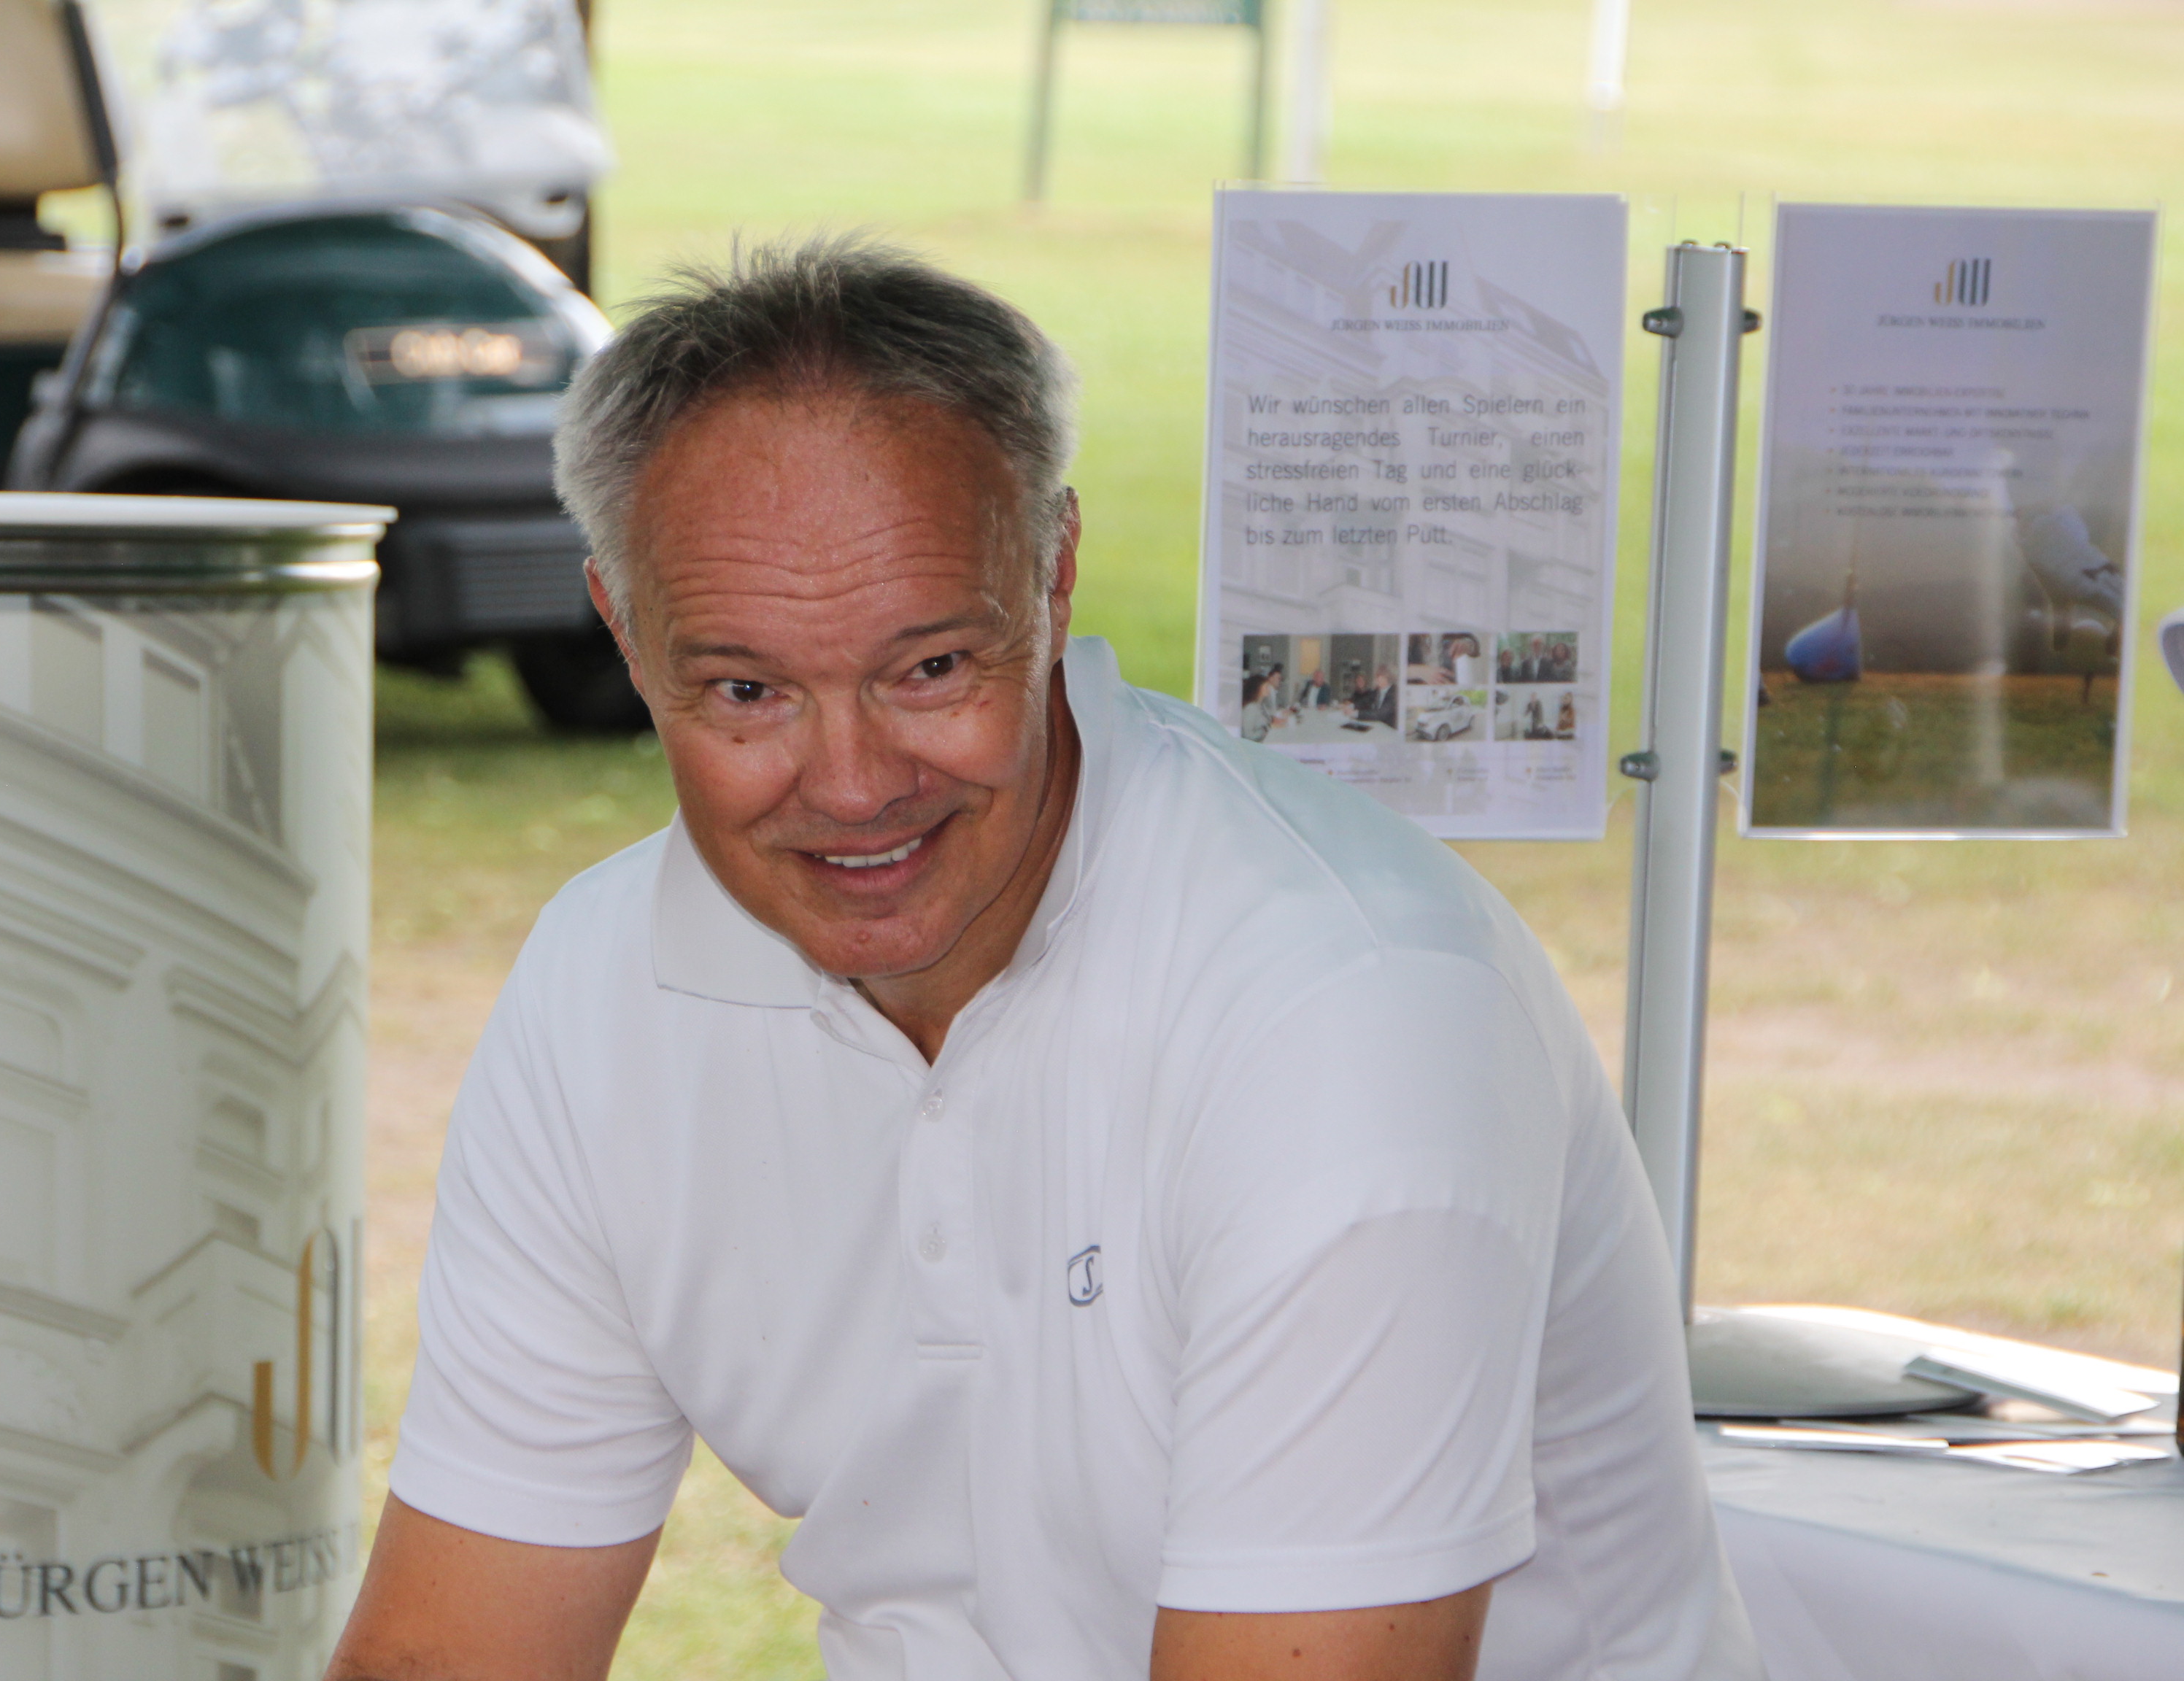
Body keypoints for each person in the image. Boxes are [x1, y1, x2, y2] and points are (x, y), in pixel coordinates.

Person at [327, 236, 1759, 1681]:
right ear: (623, 635)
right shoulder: (600, 988)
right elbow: (446, 1656)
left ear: (1054, 573)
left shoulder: (1349, 1016)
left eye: (930, 668)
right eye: (747, 689)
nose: (851, 784)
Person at [1356, 661, 1399, 730]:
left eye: (1379, 677)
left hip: (1388, 730)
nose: (1376, 679)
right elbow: (1365, 701)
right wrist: (1351, 706)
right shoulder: (1377, 690)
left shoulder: (1394, 693)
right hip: (1376, 726)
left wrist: (1356, 714)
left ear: (1386, 678)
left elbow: (1379, 715)